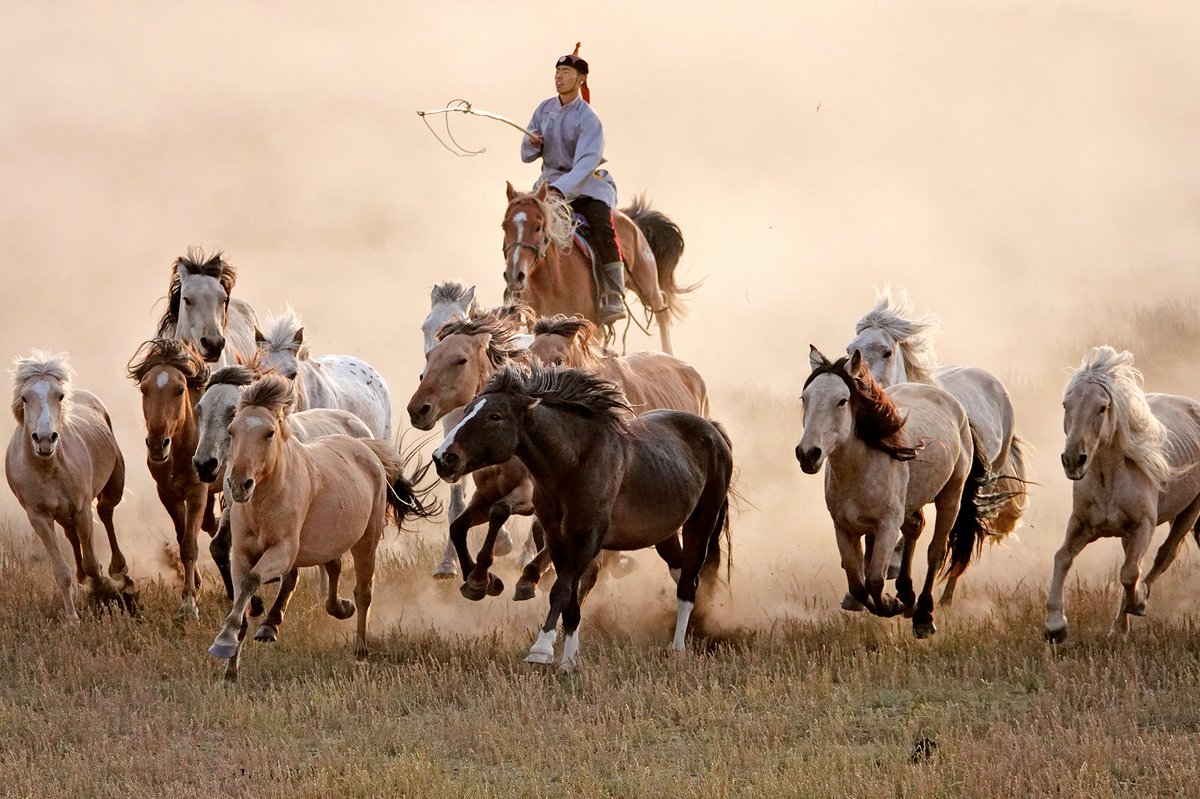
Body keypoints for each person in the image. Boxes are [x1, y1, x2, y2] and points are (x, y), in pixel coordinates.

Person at [521, 44, 626, 325]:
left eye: (566, 72)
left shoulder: (589, 119)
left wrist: (560, 189)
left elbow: (586, 163)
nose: (559, 77)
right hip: (549, 184)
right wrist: (533, 143)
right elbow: (525, 154)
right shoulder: (544, 110)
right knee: (523, 221)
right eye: (557, 72)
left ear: (580, 79)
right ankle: (518, 284)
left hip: (585, 185)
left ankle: (614, 294)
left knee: (602, 227)